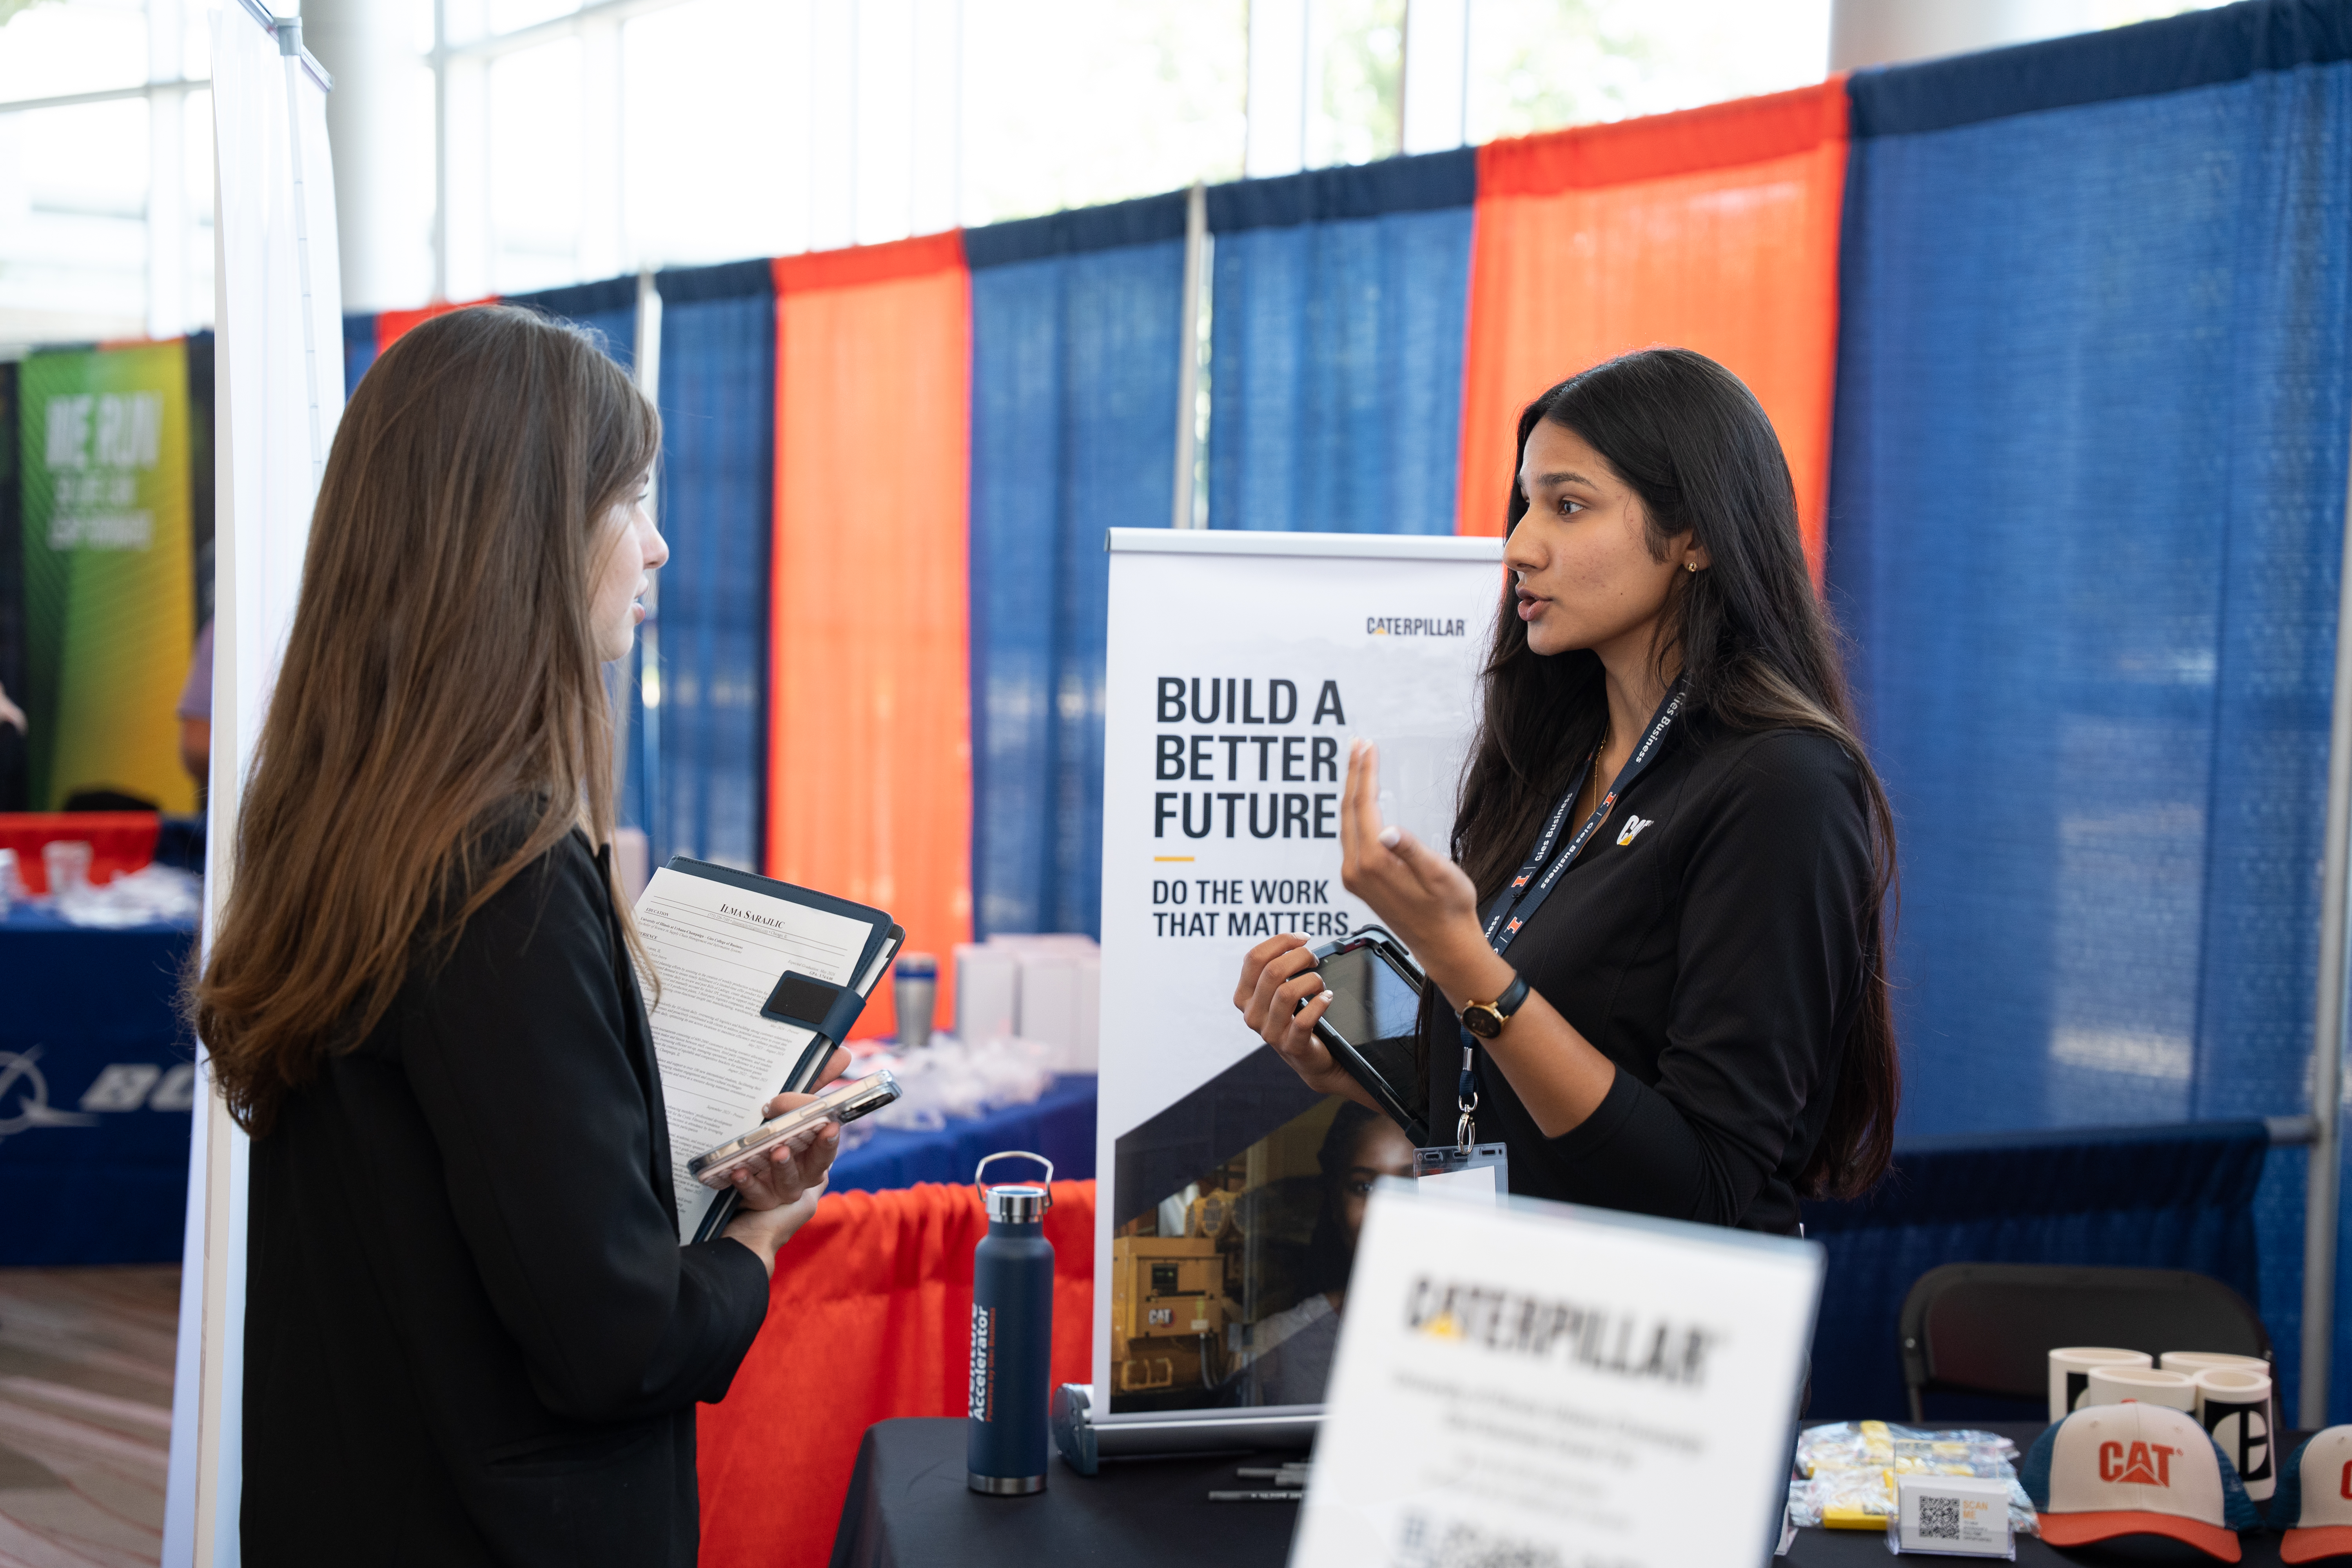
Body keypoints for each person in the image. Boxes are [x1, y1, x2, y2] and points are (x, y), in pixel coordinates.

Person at [192, 306, 841, 1566]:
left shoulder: (341, 828)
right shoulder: (506, 877)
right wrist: (759, 1239)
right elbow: (617, 1342)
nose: (656, 548)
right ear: (520, 529)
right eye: (631, 498)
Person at [1235, 348, 1899, 1231]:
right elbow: (1523, 1115)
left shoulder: (1784, 781)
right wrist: (1368, 1067)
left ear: (1695, 534)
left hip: (1659, 1350)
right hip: (1495, 1326)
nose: (1518, 545)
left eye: (1568, 505)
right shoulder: (1554, 766)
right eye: (1525, 506)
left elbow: (1701, 1190)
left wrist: (1461, 956)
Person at [1219, 1103, 1414, 1406]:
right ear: (1336, 1204)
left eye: (1411, 1182)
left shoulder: (1488, 1338)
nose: (1387, 1210)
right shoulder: (1275, 1347)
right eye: (1364, 1186)